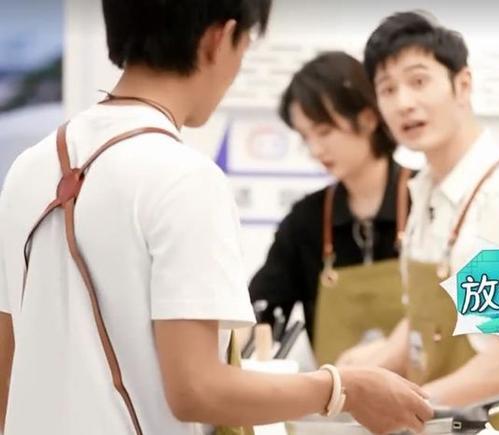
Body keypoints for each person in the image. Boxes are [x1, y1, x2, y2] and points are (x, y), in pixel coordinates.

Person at [0, 2, 433, 434]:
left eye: (418, 82)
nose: (405, 106)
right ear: (219, 40)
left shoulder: (28, 168)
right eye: (245, 45)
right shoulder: (186, 177)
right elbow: (198, 389)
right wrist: (344, 388)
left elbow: (7, 361)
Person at [360, 11, 499, 435]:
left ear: (462, 85)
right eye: (387, 89)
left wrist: (411, 406)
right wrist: (364, 371)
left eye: (418, 81)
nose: (403, 102)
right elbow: (425, 317)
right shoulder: (424, 192)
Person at [249, 51, 411, 366]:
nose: (315, 149)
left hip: (433, 395)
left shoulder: (428, 201)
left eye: (324, 131)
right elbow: (260, 309)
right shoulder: (305, 221)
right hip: (339, 396)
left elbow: (459, 313)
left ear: (368, 118)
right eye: (305, 137)